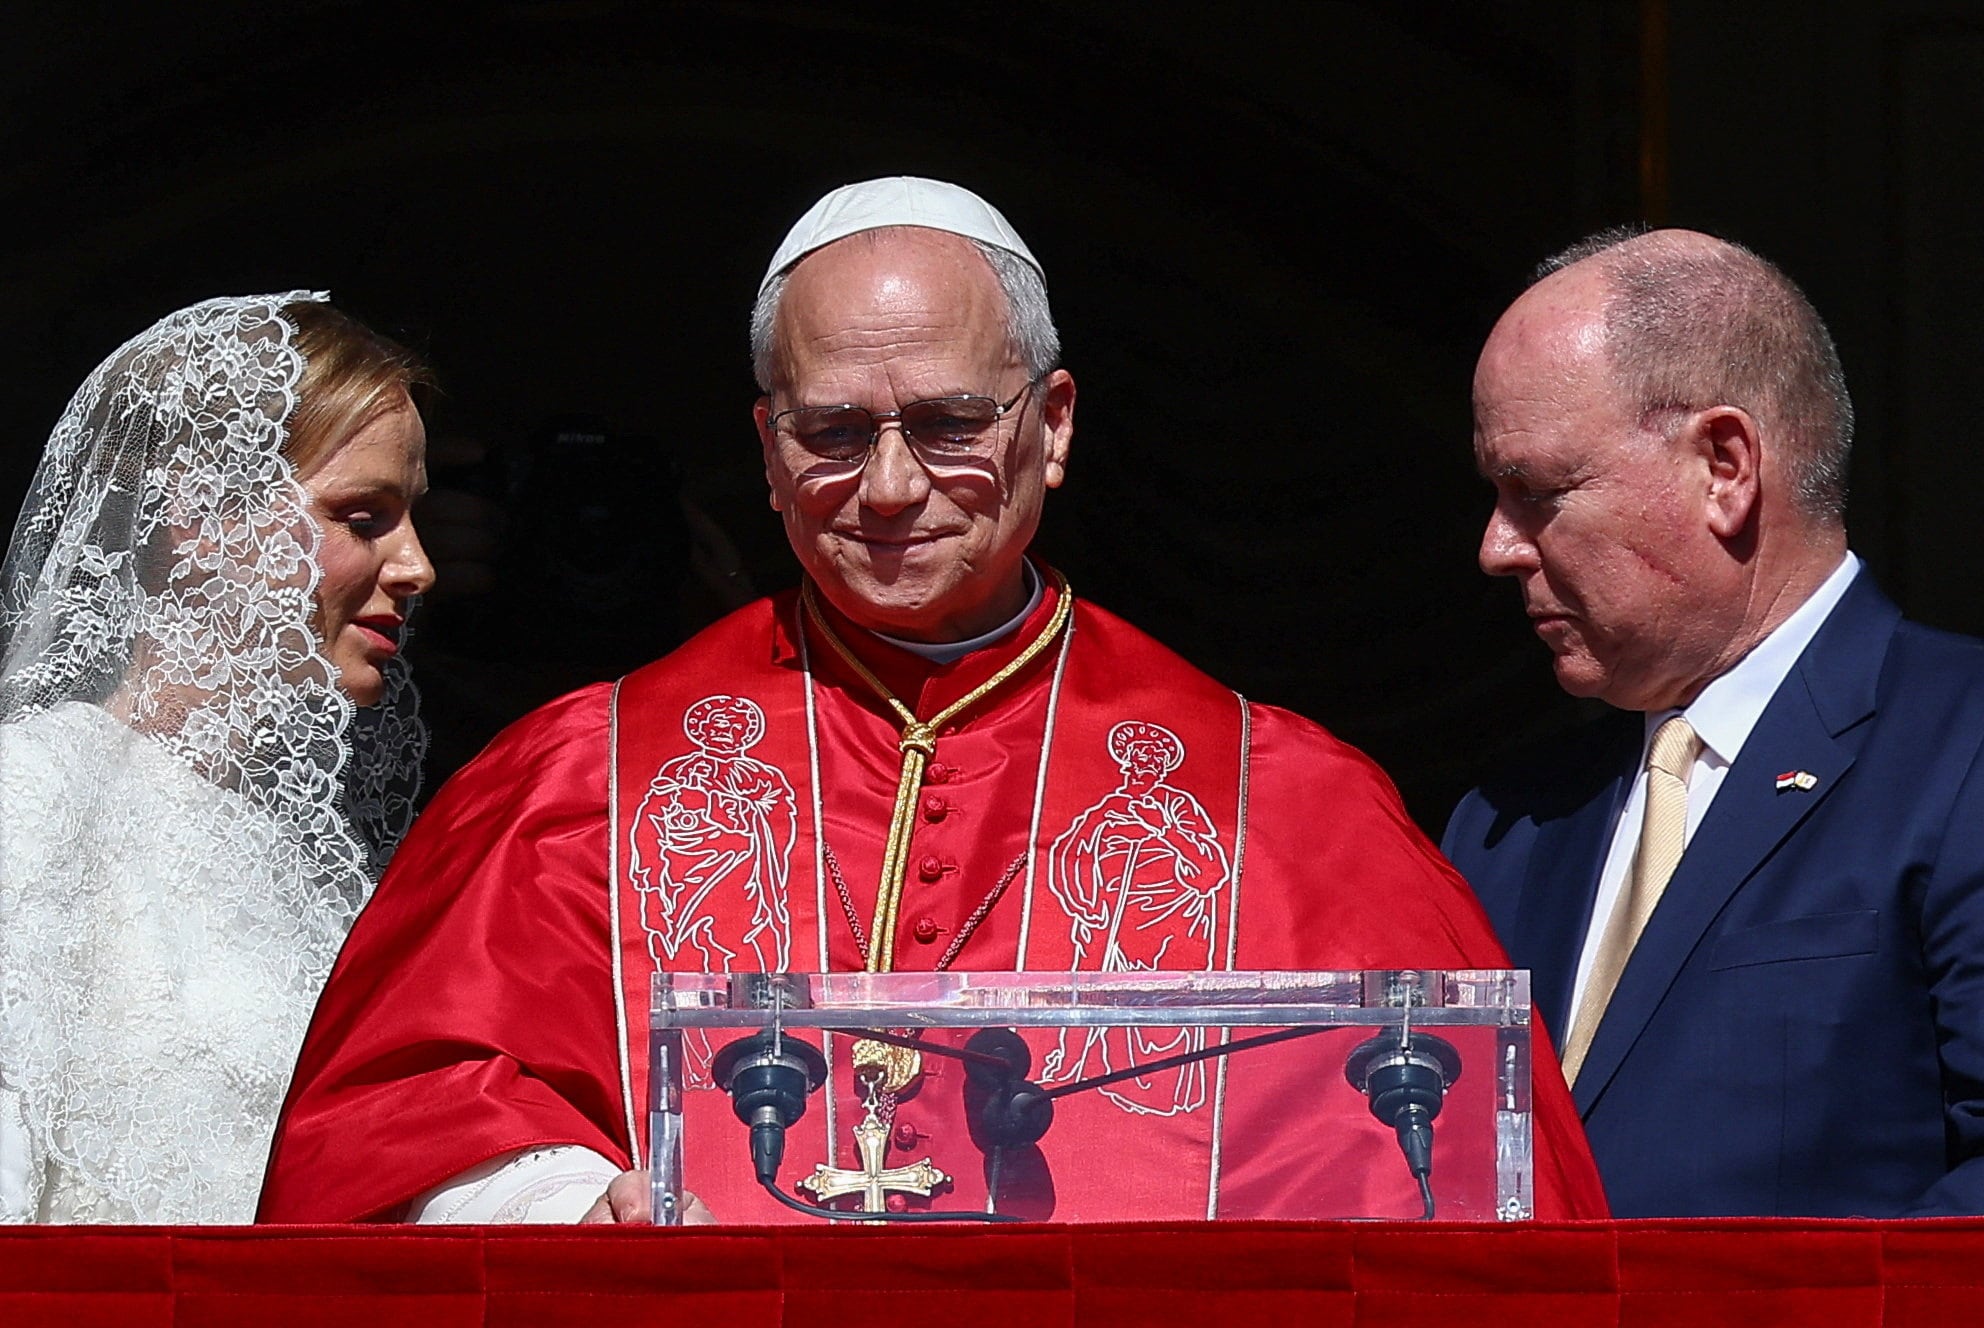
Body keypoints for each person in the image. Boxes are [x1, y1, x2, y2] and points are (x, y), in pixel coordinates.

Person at [259, 178, 1607, 1225]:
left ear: (1054, 423)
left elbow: (1454, 1196)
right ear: (767, 452)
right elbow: (388, 1130)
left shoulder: (1288, 804)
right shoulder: (583, 779)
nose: (892, 486)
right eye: (833, 432)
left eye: (952, 423)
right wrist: (567, 1205)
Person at [1443, 226, 1984, 1217]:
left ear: (1723, 467)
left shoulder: (1959, 748)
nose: (1497, 547)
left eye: (1538, 493)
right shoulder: (1505, 826)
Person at [0, 293, 436, 1222]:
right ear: (199, 514)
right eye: (363, 518)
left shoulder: (310, 866)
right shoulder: (34, 796)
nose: (416, 567)